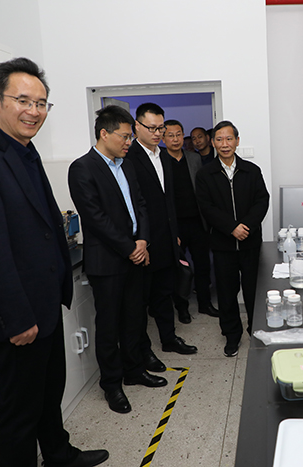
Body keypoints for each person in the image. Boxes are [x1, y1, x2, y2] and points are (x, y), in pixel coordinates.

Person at [0, 58, 108, 467]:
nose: (34, 111)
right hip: (19, 314)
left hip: (44, 303)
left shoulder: (25, 151)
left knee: (48, 392)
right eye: (23, 100)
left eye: (41, 103)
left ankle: (58, 454)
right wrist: (18, 318)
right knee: (19, 411)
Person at [68, 105, 168, 415]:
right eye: (124, 136)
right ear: (104, 133)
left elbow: (141, 205)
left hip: (135, 255)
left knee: (135, 319)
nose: (129, 142)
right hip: (108, 261)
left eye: (129, 137)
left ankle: (134, 370)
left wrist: (143, 241)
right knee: (109, 326)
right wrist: (129, 247)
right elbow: (95, 217)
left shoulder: (127, 165)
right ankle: (111, 384)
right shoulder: (83, 168)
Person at [125, 104, 198, 356]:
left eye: (160, 128)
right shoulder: (128, 158)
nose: (157, 133)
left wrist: (173, 233)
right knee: (141, 301)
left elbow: (170, 201)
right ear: (137, 127)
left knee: (165, 293)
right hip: (143, 243)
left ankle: (169, 338)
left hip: (166, 239)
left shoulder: (165, 157)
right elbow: (132, 205)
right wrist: (140, 240)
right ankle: (143, 351)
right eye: (152, 128)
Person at [196, 121, 269, 357]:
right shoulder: (205, 174)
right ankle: (232, 336)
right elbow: (206, 207)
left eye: (229, 139)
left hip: (250, 243)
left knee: (253, 292)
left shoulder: (251, 170)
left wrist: (245, 227)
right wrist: (231, 228)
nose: (224, 144)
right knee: (227, 294)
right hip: (223, 244)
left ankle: (256, 331)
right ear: (213, 142)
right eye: (219, 139)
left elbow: (262, 201)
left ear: (237, 141)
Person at [162, 119, 219, 322]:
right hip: (174, 225)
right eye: (170, 135)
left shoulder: (194, 158)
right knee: (179, 269)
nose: (175, 139)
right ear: (163, 138)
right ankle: (182, 308)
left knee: (203, 265)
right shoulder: (159, 160)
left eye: (179, 134)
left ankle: (205, 303)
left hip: (197, 222)